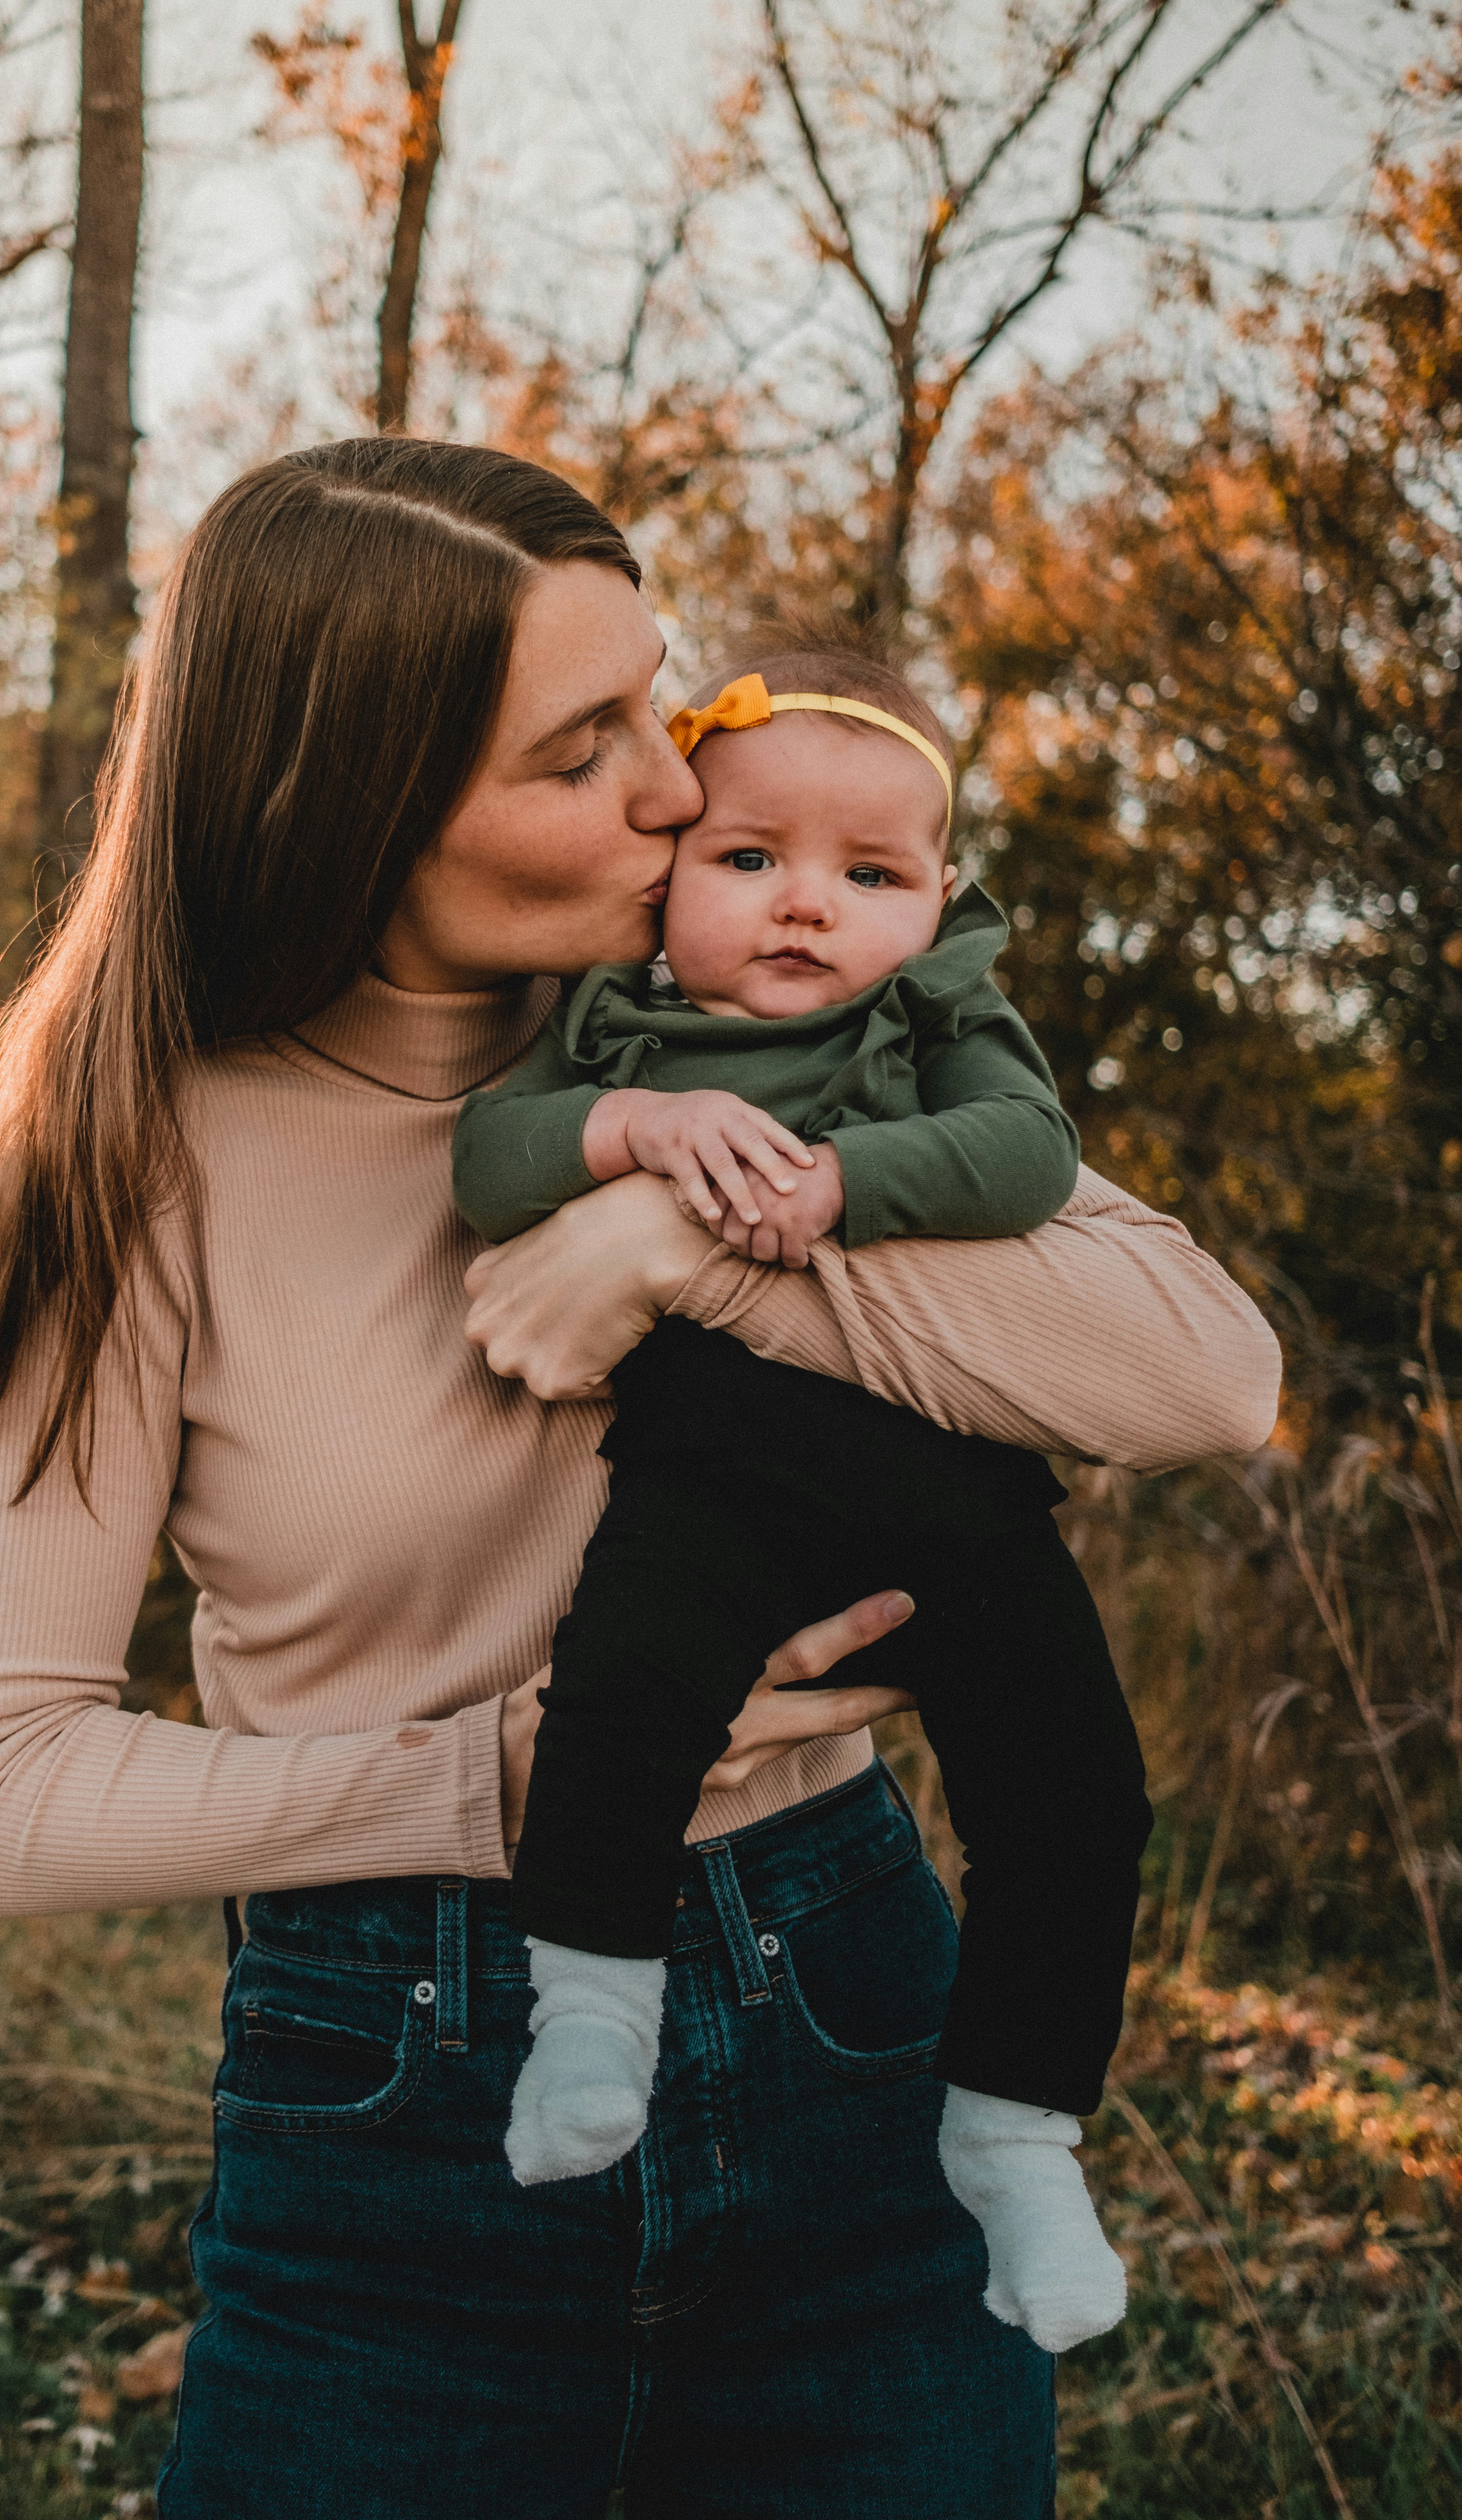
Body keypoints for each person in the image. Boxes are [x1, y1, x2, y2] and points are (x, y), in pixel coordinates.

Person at [0, 437, 1281, 2519]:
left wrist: (677, 1239)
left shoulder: (745, 1015)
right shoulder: (137, 1162)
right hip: (408, 2084)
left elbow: (1208, 1370)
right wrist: (498, 1781)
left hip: (860, 2016)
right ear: (362, 801)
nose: (677, 782)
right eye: (585, 747)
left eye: (659, 694)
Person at [452, 644, 1146, 2356]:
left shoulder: (938, 1014)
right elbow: (486, 1164)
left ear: (938, 900)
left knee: (1077, 1791)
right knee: (619, 1707)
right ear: (671, 871)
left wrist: (843, 1182)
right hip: (714, 1465)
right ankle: (592, 2019)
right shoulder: (615, 1023)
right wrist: (629, 1133)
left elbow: (1024, 1159)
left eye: (869, 875)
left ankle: (1016, 2135)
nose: (802, 909)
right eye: (749, 858)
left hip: (947, 1479)